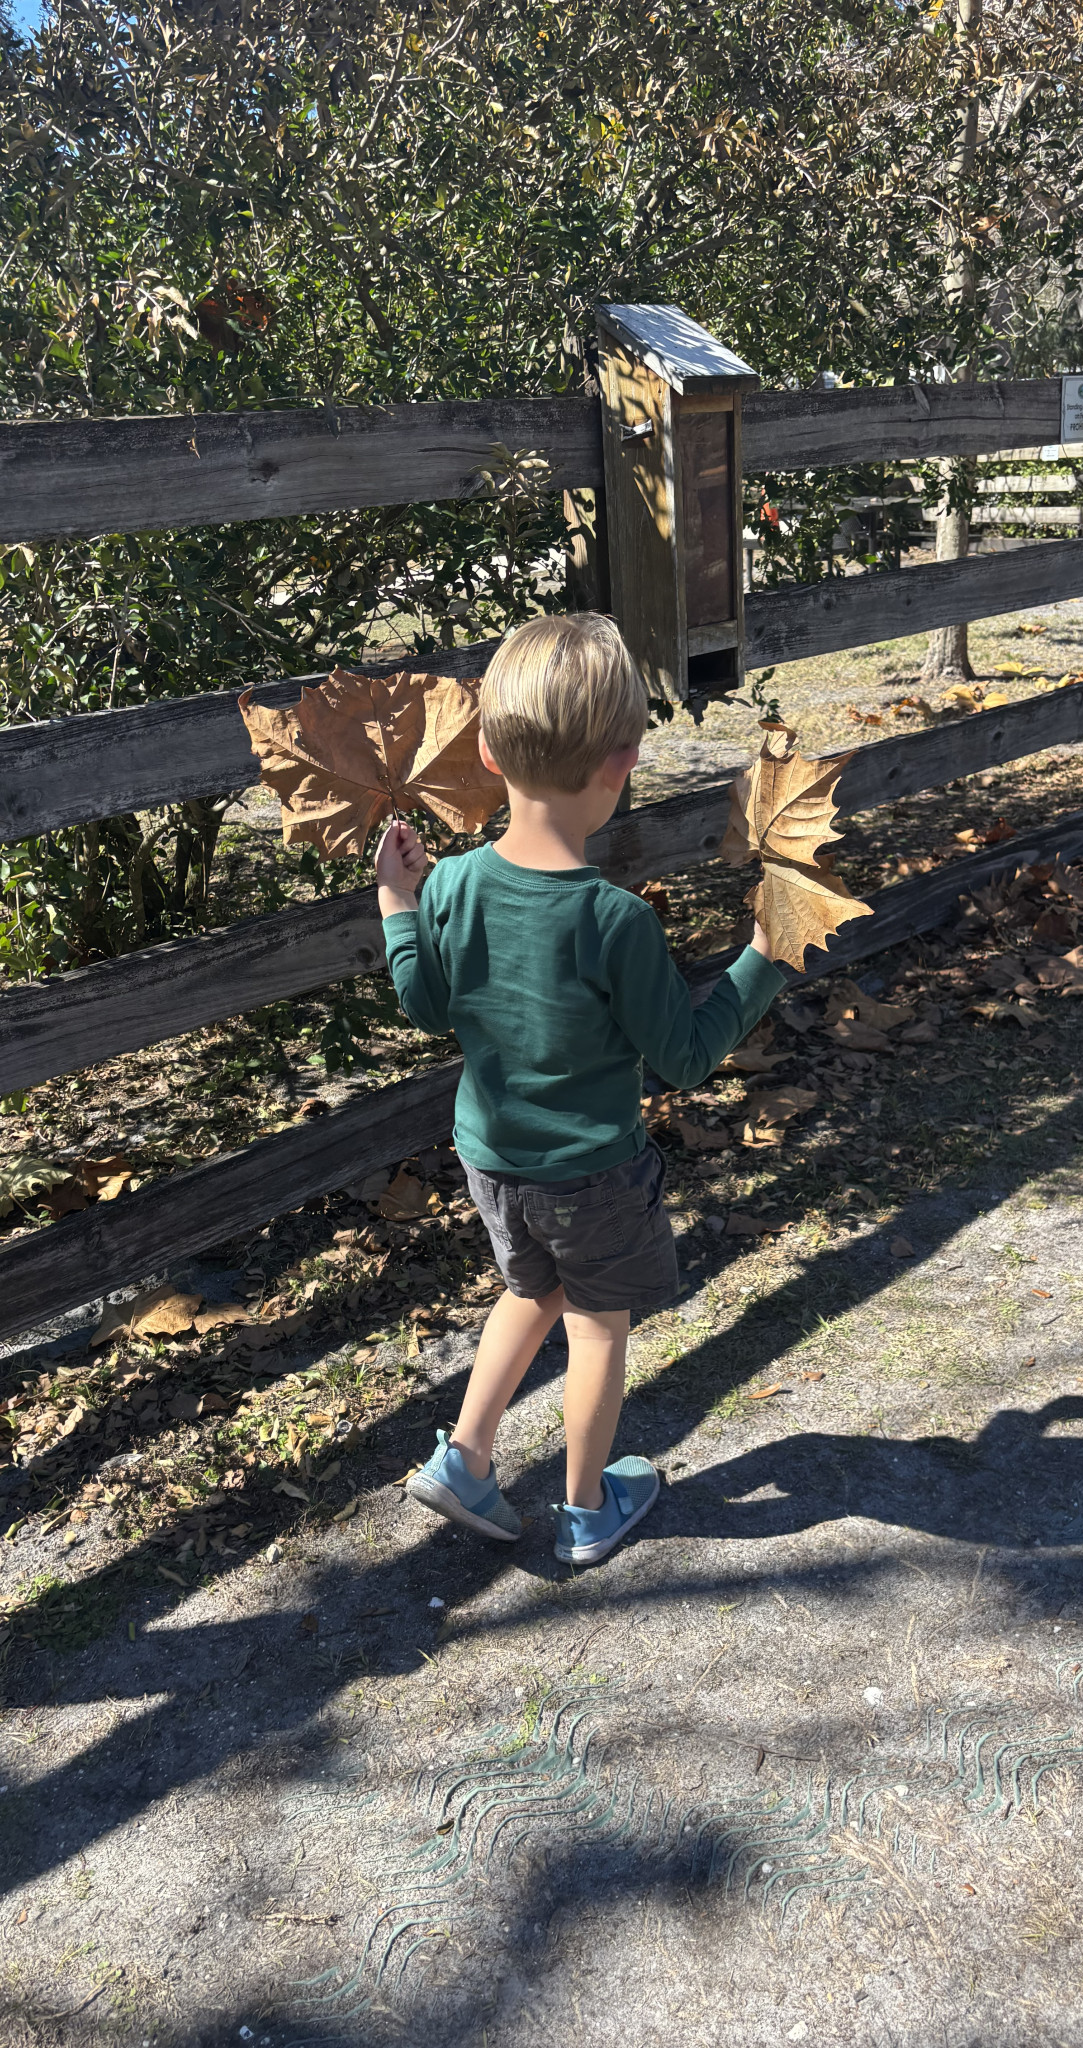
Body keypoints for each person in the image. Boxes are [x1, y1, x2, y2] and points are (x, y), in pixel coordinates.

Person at [376, 613, 784, 1565]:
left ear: (486, 751)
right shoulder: (615, 921)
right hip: (593, 1175)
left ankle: (465, 1459)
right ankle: (588, 1509)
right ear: (623, 762)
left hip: (491, 1163)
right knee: (598, 1329)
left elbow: (426, 1006)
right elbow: (685, 1056)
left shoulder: (450, 885)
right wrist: (763, 958)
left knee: (530, 1291)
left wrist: (398, 906)